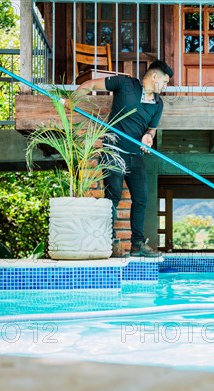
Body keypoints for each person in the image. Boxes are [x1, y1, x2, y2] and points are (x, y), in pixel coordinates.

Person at [71, 60, 173, 257]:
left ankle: (137, 244)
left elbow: (151, 129)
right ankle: (108, 242)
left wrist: (148, 137)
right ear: (155, 77)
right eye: (166, 82)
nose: (166, 86)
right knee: (113, 196)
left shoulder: (158, 104)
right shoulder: (125, 84)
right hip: (113, 151)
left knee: (141, 198)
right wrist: (73, 99)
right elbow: (91, 85)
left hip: (135, 155)